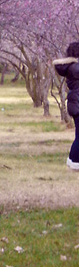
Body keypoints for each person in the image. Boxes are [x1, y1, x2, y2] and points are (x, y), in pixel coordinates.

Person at [54, 42, 79, 171]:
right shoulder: (76, 68)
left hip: (75, 104)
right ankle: (75, 162)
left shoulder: (71, 67)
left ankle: (73, 161)